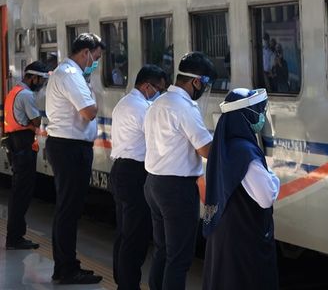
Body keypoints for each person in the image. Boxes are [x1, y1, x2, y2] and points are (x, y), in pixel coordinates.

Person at [144, 52, 215, 290]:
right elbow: (206, 149)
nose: (203, 90)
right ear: (196, 81)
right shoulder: (185, 107)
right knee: (179, 257)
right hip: (177, 190)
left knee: (162, 250)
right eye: (204, 84)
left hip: (154, 184)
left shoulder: (158, 103)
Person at [201, 88, 280, 290]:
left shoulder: (225, 146)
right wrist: (273, 177)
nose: (261, 117)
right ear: (245, 115)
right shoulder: (245, 152)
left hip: (224, 232)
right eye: (258, 111)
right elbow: (265, 197)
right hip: (243, 236)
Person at [46, 32, 103, 285]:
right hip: (70, 148)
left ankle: (65, 265)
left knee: (67, 209)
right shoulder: (70, 75)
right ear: (86, 52)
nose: (96, 62)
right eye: (96, 57)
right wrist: (96, 100)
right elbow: (89, 111)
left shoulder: (68, 73)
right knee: (68, 210)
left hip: (67, 146)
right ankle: (66, 268)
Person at [109, 64, 169, 290]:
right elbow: (156, 139)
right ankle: (128, 285)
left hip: (120, 170)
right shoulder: (142, 108)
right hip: (134, 174)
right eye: (159, 89)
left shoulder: (124, 103)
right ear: (147, 86)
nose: (160, 94)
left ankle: (121, 280)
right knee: (135, 236)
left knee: (124, 232)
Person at [3, 61, 48, 250]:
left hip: (14, 145)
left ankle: (15, 236)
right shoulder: (26, 95)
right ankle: (15, 238)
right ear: (32, 77)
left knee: (17, 193)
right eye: (40, 79)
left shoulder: (13, 92)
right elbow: (36, 121)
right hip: (23, 147)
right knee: (22, 194)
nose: (41, 83)